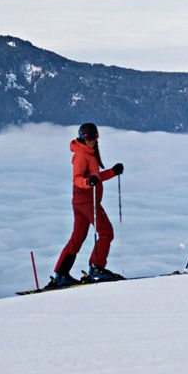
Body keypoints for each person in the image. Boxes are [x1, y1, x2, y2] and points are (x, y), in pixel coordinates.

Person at [50, 122, 124, 287]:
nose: (92, 140)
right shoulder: (82, 155)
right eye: (88, 137)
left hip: (81, 201)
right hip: (87, 200)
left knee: (77, 238)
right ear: (82, 138)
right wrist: (88, 182)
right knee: (106, 232)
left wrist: (112, 172)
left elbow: (95, 178)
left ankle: (61, 274)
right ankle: (96, 268)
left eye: (95, 136)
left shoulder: (89, 153)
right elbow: (77, 179)